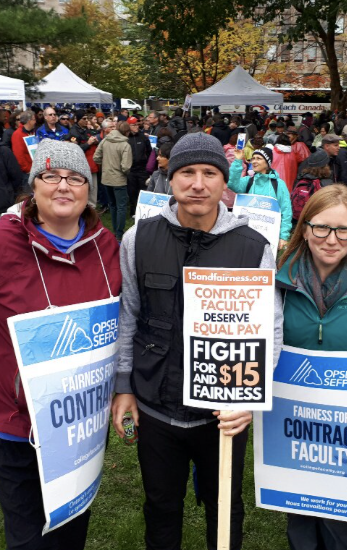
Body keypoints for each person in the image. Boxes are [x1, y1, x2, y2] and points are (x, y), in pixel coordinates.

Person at [0, 139, 120, 550]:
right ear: (33, 186)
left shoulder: (107, 247)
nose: (63, 187)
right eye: (51, 176)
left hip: (80, 423)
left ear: (89, 189)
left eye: (75, 178)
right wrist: (5, 361)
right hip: (15, 425)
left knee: (72, 521)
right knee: (28, 534)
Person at [110, 131, 282, 550]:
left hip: (220, 416)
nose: (198, 183)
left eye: (210, 173)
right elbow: (128, 314)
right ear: (171, 177)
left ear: (226, 182)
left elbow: (271, 329)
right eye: (187, 172)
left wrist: (248, 398)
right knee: (161, 505)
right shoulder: (138, 238)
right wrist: (123, 385)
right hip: (156, 406)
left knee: (223, 506)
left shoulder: (253, 247)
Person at [276, 184, 347, 550]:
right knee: (300, 513)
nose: (332, 239)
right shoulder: (278, 277)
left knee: (343, 524)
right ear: (304, 227)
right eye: (321, 228)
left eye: (344, 229)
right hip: (292, 419)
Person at [229, 146, 293, 249]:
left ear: (267, 162)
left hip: (269, 237)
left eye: (258, 158)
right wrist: (238, 161)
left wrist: (283, 236)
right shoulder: (248, 181)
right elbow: (232, 184)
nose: (254, 161)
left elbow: (286, 211)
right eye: (253, 158)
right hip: (246, 236)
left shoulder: (279, 184)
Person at [94, 120, 132, 240]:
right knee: (121, 207)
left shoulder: (106, 140)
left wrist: (105, 165)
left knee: (113, 205)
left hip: (106, 178)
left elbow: (96, 157)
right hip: (119, 179)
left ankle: (115, 230)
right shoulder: (125, 145)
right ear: (126, 132)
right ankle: (119, 232)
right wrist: (124, 172)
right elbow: (125, 166)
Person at [126, 117, 153, 216]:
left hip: (142, 169)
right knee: (132, 191)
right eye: (133, 125)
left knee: (143, 190)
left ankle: (144, 211)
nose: (136, 127)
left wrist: (148, 166)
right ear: (128, 126)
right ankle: (133, 211)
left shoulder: (143, 137)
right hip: (131, 169)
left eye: (137, 124)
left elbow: (150, 152)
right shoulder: (125, 138)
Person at [11, 110, 38, 180]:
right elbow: (19, 155)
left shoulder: (32, 132)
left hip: (34, 169)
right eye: (34, 119)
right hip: (27, 172)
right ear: (29, 121)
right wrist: (28, 169)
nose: (35, 122)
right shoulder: (17, 134)